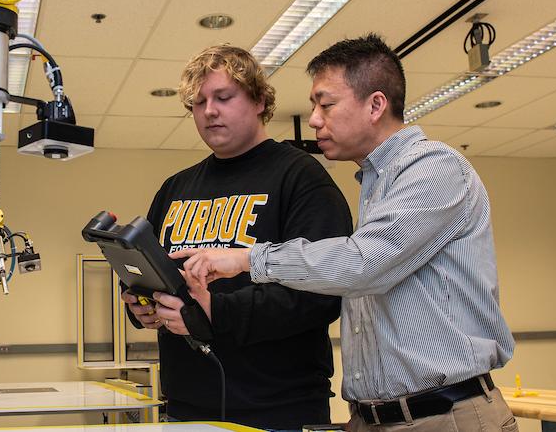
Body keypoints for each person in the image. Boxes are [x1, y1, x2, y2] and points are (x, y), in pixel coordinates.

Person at [171, 34, 517, 432]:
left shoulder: (435, 168)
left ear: (375, 105)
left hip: (445, 417)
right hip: (376, 418)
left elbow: (361, 263)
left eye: (326, 104)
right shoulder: (375, 186)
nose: (314, 118)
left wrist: (248, 258)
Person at [121, 44, 352, 429]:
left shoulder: (300, 177)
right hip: (184, 408)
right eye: (198, 103)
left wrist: (217, 313)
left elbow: (322, 292)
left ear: (260, 100)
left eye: (223, 97)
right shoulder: (175, 188)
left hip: (279, 411)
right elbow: (158, 271)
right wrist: (141, 305)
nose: (209, 111)